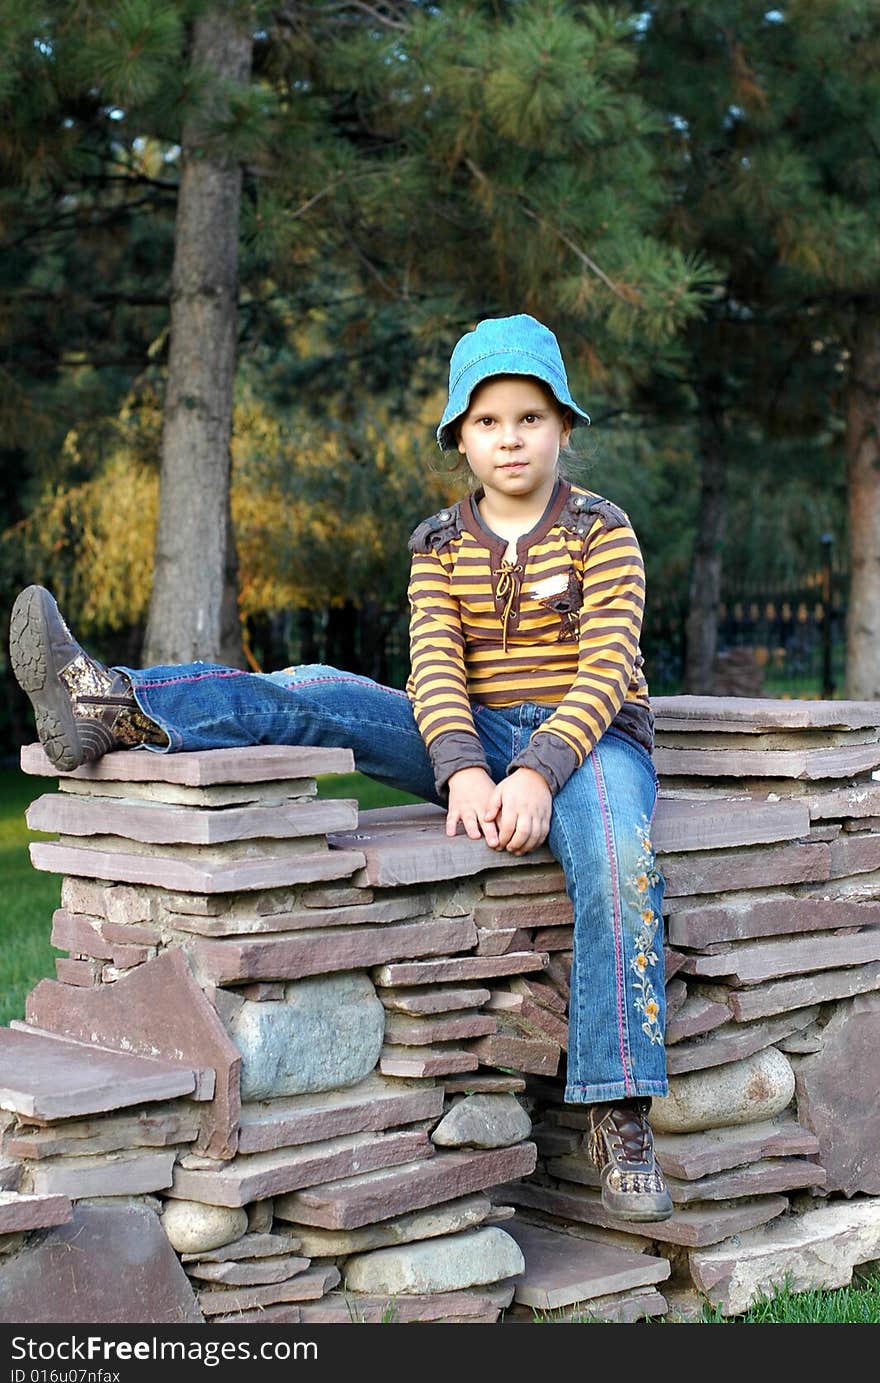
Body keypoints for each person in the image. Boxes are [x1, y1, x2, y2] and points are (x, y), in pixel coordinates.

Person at [9, 312, 672, 1221]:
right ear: (459, 438)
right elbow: (434, 667)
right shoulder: (439, 542)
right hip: (472, 736)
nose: (510, 438)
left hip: (593, 743)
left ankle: (620, 1104)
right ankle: (116, 702)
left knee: (615, 852)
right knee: (314, 685)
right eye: (487, 422)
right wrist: (466, 772)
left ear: (563, 426)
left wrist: (538, 773)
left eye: (529, 418)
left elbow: (605, 667)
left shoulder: (603, 528)